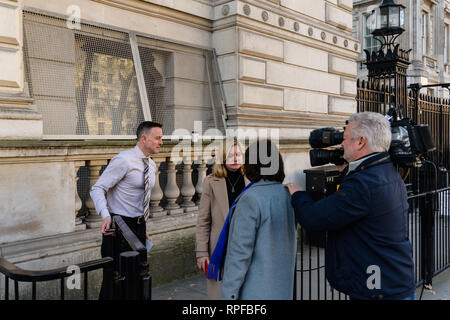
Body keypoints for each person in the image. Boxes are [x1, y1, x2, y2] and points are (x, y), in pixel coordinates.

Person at [285, 112, 415, 300]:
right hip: (391, 281)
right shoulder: (386, 170)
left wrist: (297, 193)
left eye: (345, 138)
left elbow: (313, 218)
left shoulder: (363, 184)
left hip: (379, 291)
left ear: (361, 141)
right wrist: (346, 172)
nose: (341, 144)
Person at [90, 121, 163, 300]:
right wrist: (106, 216)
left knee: (138, 279)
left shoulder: (151, 165)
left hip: (138, 226)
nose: (161, 142)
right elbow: (97, 189)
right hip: (119, 226)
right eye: (158, 138)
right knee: (114, 282)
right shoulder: (123, 160)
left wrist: (141, 226)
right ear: (144, 138)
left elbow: (140, 197)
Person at [220, 140, 297, 300]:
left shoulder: (251, 199)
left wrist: (228, 295)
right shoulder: (287, 194)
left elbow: (239, 254)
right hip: (283, 289)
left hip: (255, 291)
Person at [195, 139, 249, 300]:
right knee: (220, 295)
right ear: (223, 157)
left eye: (238, 154)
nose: (235, 158)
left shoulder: (252, 179)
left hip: (245, 244)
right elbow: (203, 220)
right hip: (219, 247)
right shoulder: (210, 181)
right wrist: (201, 252)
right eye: (230, 155)